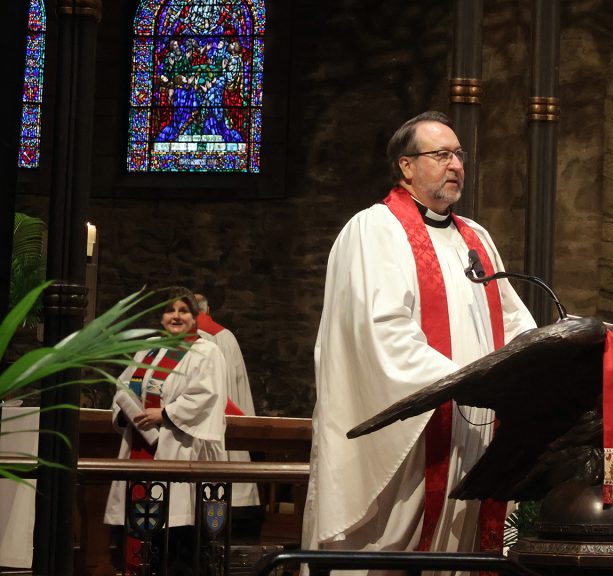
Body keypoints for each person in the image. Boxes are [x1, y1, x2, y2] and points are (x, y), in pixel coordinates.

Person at [303, 111, 536, 566]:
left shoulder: (477, 238)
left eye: (459, 156)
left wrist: (529, 366)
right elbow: (379, 333)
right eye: (442, 154)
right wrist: (468, 380)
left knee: (463, 549)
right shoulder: (374, 230)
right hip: (413, 431)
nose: (456, 166)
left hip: (474, 428)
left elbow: (513, 323)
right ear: (405, 166)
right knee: (393, 550)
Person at [104, 287, 229, 575]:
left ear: (194, 317)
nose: (176, 316)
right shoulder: (149, 347)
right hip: (139, 447)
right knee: (138, 530)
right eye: (169, 310)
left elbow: (206, 395)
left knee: (173, 534)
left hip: (177, 447)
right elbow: (124, 385)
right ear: (160, 317)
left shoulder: (205, 351)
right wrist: (125, 411)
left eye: (183, 310)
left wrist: (165, 413)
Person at [194, 292, 261, 535]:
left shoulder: (197, 340)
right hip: (229, 427)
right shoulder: (225, 337)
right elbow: (239, 387)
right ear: (208, 310)